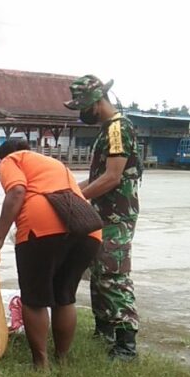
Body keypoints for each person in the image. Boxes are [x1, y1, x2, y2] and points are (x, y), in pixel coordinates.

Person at [0, 139, 102, 368]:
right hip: (88, 229)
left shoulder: (11, 159)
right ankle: (63, 359)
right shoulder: (54, 164)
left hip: (43, 226)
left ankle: (41, 363)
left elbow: (17, 190)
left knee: (34, 299)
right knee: (65, 297)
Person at [66, 75, 143, 361]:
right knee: (98, 273)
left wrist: (75, 199)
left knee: (113, 274)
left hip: (116, 215)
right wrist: (67, 192)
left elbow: (112, 177)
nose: (81, 114)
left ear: (97, 102)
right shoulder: (108, 128)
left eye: (83, 107)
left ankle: (126, 345)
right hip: (102, 214)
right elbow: (96, 179)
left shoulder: (117, 128)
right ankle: (105, 331)